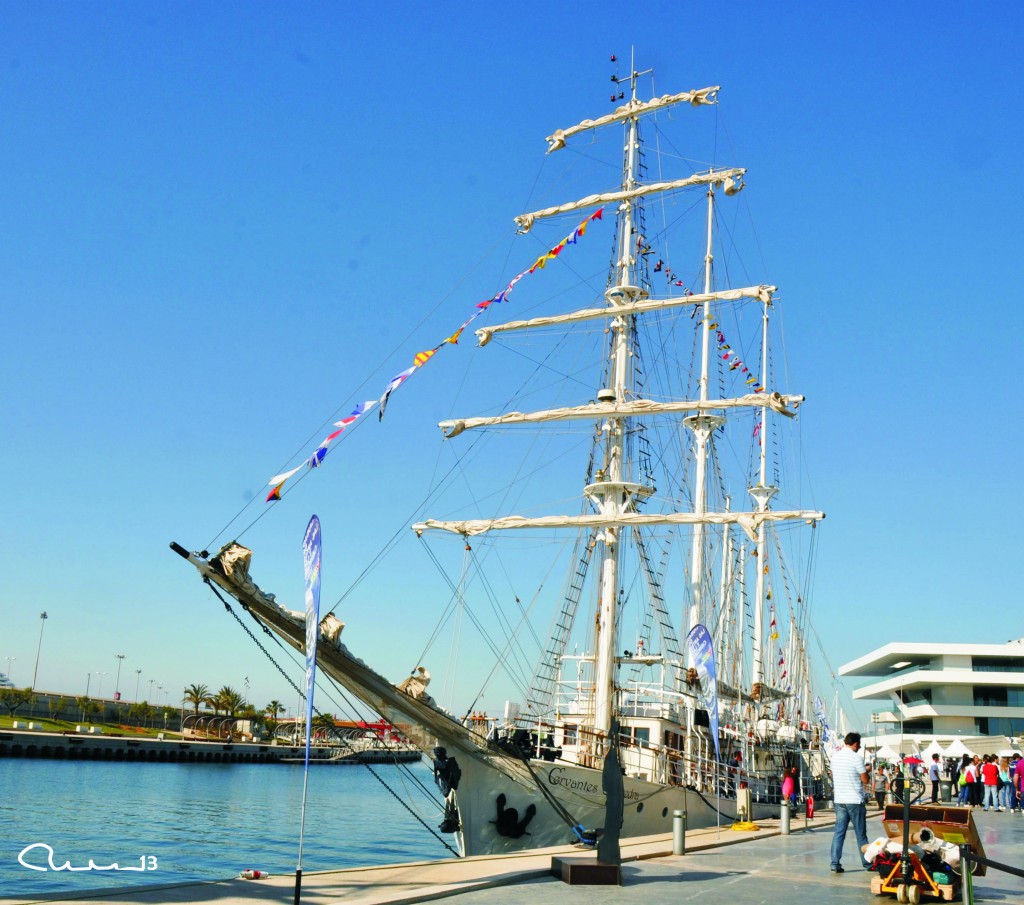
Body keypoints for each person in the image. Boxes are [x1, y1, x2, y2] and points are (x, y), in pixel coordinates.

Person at [830, 731, 871, 874]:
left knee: (839, 833)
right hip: (854, 800)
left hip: (840, 800)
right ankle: (867, 863)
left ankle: (835, 863)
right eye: (858, 745)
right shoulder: (856, 758)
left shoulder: (834, 758)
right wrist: (867, 771)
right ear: (856, 744)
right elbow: (865, 780)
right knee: (861, 834)